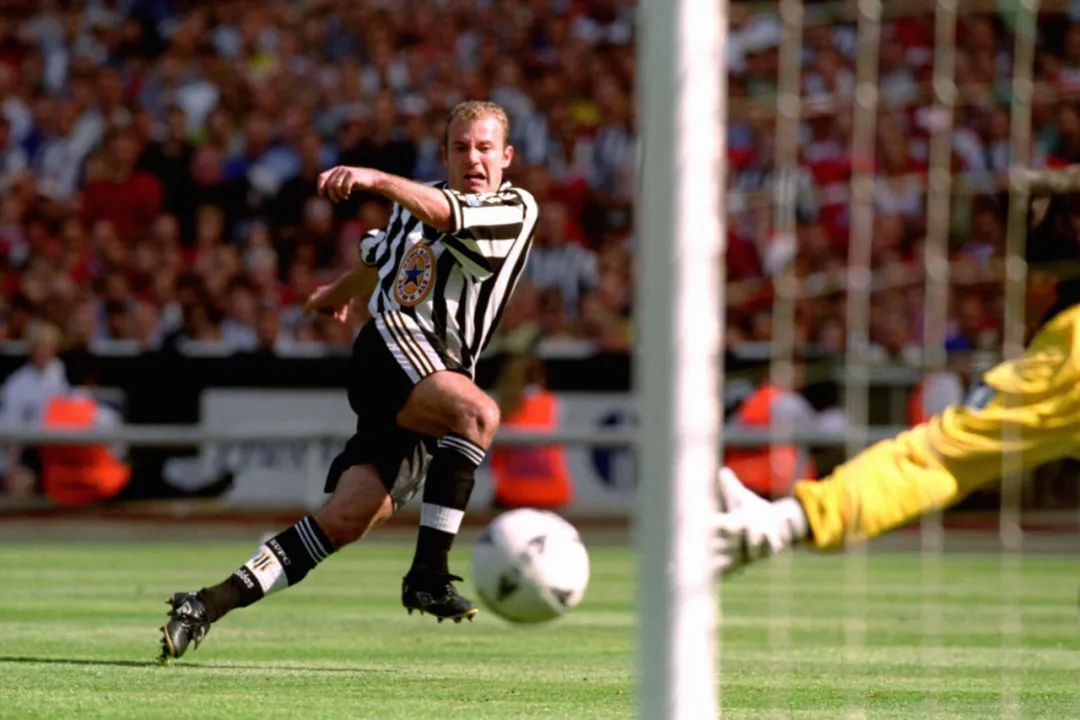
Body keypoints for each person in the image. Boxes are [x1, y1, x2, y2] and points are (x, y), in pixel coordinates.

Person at [160, 100, 539, 660]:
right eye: (461, 148)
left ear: (507, 157)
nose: (473, 159)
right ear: (445, 154)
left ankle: (205, 604)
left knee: (345, 521)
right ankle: (429, 574)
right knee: (478, 414)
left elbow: (443, 218)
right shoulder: (414, 205)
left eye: (484, 148)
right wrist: (333, 295)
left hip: (433, 379)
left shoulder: (515, 208)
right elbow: (375, 262)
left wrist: (375, 180)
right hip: (389, 349)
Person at [716, 186, 1080, 574]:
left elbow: (934, 459)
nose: (992, 270)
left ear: (1042, 278)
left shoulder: (1068, 359)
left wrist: (792, 520)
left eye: (1002, 257)